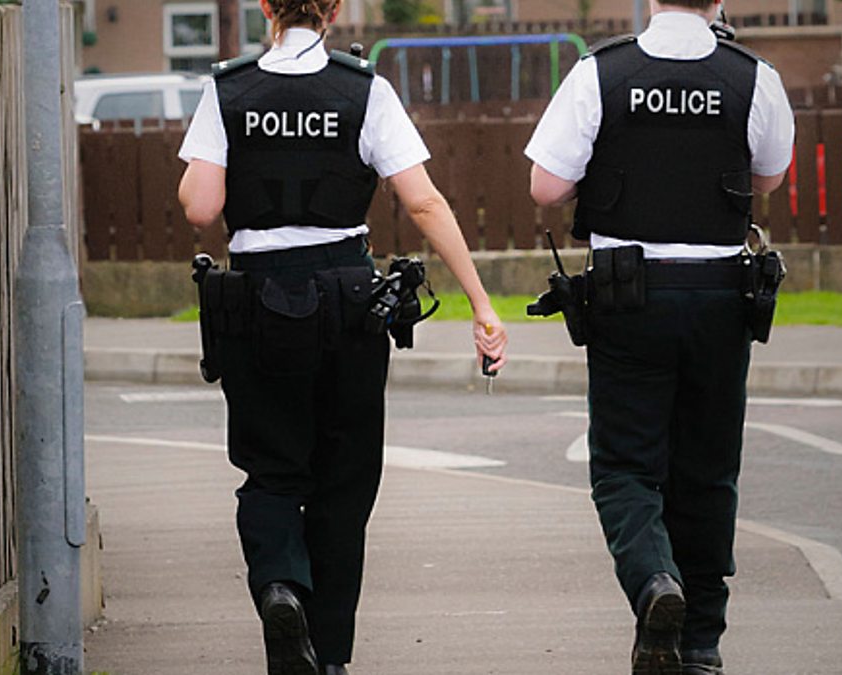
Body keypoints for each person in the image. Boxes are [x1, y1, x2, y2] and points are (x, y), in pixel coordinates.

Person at [176, 0, 509, 672]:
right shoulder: (363, 90)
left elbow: (201, 206)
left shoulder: (229, 89)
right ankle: (328, 655)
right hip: (348, 299)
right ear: (333, 9)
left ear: (266, 7)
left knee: (271, 470)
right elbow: (423, 201)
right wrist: (480, 303)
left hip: (260, 298)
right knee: (344, 479)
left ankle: (279, 585)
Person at [524, 1, 794, 673]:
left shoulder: (601, 73)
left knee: (625, 467)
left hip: (628, 296)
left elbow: (546, 187)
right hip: (720, 297)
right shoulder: (753, 76)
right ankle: (700, 642)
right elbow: (768, 176)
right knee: (708, 472)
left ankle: (653, 583)